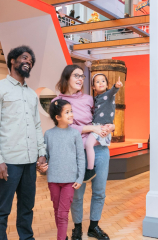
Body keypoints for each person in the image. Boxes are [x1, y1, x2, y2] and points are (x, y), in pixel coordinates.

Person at [0, 45, 48, 240]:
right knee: (2, 208)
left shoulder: (30, 95)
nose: (28, 61)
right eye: (24, 58)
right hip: (9, 161)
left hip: (30, 162)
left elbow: (37, 126)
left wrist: (41, 152)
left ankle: (27, 238)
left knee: (27, 207)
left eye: (30, 60)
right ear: (12, 61)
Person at [51, 65, 114, 240]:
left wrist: (110, 126)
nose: (80, 79)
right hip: (75, 153)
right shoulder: (57, 102)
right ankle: (77, 227)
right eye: (76, 75)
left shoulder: (89, 99)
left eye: (82, 76)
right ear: (66, 78)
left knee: (99, 191)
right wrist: (91, 127)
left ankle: (93, 227)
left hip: (99, 149)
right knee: (77, 194)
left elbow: (103, 117)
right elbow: (64, 128)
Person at [42, 99, 85, 240]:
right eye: (67, 112)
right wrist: (41, 166)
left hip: (70, 181)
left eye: (71, 111)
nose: (71, 114)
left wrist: (80, 178)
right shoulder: (48, 134)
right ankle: (63, 237)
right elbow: (46, 157)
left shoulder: (75, 134)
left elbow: (80, 157)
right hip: (53, 180)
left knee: (63, 213)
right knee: (57, 211)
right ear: (58, 117)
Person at [83, 74, 123, 182]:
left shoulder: (109, 94)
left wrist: (116, 86)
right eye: (97, 82)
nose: (101, 83)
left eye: (103, 81)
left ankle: (90, 170)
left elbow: (113, 91)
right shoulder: (96, 98)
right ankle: (91, 168)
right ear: (93, 87)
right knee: (90, 145)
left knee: (88, 144)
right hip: (97, 126)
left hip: (101, 126)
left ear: (107, 84)